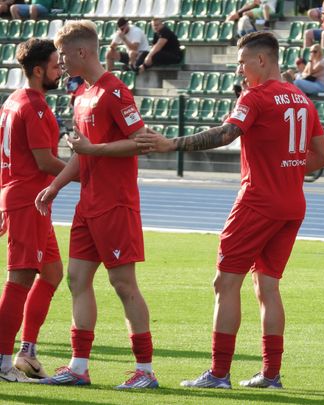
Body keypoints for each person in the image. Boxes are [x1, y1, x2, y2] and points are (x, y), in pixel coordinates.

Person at [135, 31, 324, 389]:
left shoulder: (255, 96)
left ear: (261, 60)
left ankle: (219, 373)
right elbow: (323, 155)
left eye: (242, 62)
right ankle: (271, 374)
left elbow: (226, 134)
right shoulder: (302, 99)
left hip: (257, 202)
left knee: (225, 283)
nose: (239, 69)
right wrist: (286, 169)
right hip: (292, 203)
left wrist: (169, 144)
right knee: (267, 287)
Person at [34, 20, 158, 389]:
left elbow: (142, 141)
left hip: (116, 203)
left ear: (82, 51)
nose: (61, 62)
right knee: (77, 280)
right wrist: (56, 185)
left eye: (63, 55)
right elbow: (83, 154)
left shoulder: (115, 91)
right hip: (88, 204)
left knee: (123, 283)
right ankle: (78, 367)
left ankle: (145, 371)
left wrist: (94, 149)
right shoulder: (82, 96)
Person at [0, 38, 65, 383]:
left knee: (52, 273)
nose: (60, 70)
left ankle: (27, 353)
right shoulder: (35, 107)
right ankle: (2, 363)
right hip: (29, 200)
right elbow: (45, 161)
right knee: (20, 279)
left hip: (29, 200)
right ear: (39, 71)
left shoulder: (13, 99)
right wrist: (88, 173)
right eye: (55, 66)